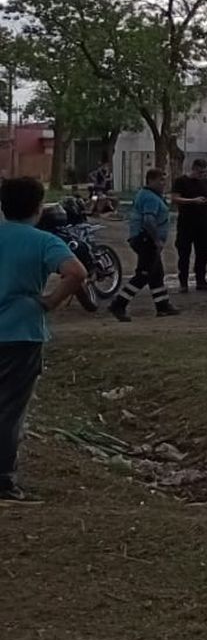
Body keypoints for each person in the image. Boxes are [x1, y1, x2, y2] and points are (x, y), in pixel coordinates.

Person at [0, 176, 88, 502]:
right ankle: (3, 480)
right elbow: (77, 273)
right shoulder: (43, 242)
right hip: (21, 334)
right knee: (9, 410)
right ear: (38, 209)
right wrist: (51, 301)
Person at [110, 168, 180, 321]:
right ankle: (119, 304)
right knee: (144, 274)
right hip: (146, 240)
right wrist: (156, 240)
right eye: (160, 180)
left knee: (156, 274)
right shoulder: (150, 198)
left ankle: (162, 305)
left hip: (145, 239)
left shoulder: (152, 196)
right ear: (151, 181)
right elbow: (149, 220)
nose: (163, 184)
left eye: (164, 180)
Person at [170, 158, 207, 292]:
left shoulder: (206, 182)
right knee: (184, 253)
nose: (202, 175)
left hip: (203, 222)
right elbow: (175, 198)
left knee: (203, 252)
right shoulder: (181, 181)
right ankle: (183, 283)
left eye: (204, 173)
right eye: (200, 172)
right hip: (186, 222)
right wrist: (192, 201)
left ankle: (201, 280)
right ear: (194, 169)